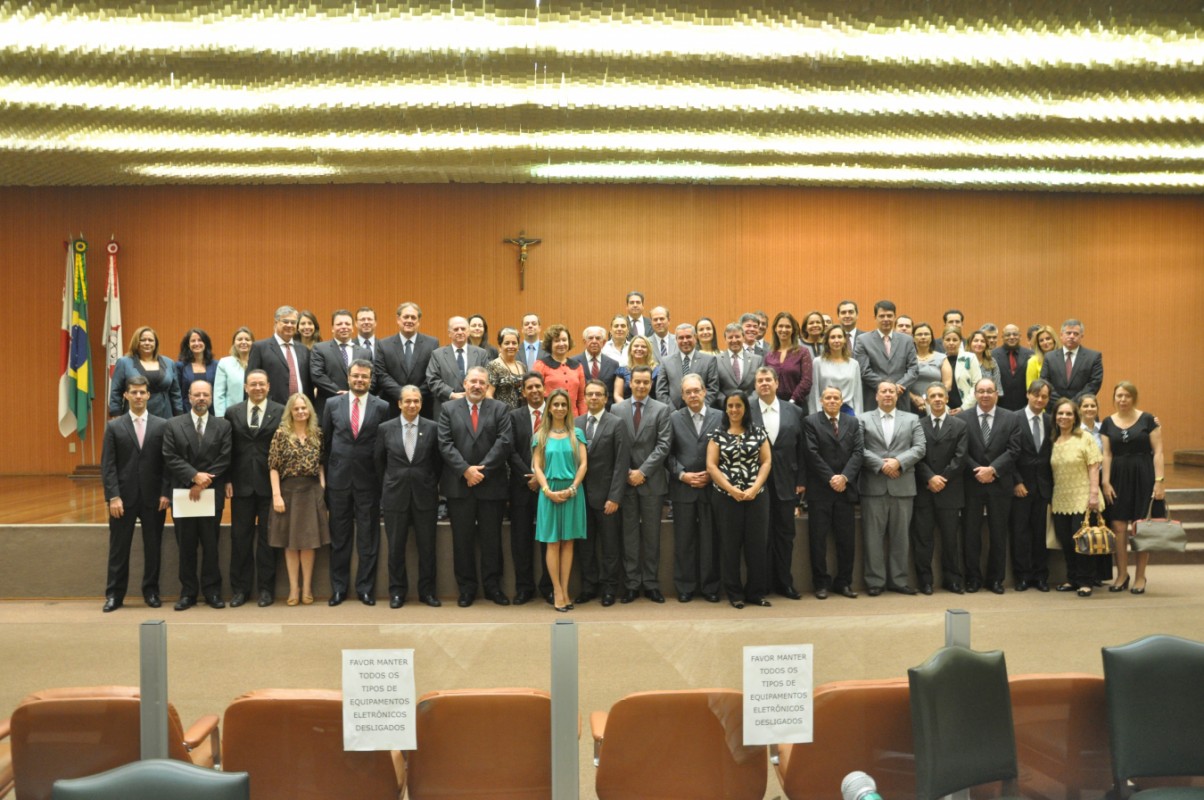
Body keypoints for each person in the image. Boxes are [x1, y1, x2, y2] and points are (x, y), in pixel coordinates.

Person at [438, 365, 515, 607]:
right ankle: (467, 588)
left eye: (482, 382)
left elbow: (504, 442)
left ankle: (493, 587)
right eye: (473, 381)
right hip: (460, 486)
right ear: (464, 383)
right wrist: (466, 470)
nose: (477, 386)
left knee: (492, 540)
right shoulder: (448, 409)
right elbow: (445, 443)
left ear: (488, 386)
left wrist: (480, 471)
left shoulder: (500, 409)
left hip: (491, 484)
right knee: (462, 540)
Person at [100, 375, 170, 612]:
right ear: (126, 395)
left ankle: (151, 591)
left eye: (142, 392)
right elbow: (108, 465)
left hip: (154, 498)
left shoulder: (162, 425)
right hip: (123, 498)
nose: (138, 396)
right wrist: (113, 496)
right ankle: (114, 595)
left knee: (153, 547)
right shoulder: (114, 426)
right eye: (134, 392)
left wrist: (165, 493)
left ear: (149, 395)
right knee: (119, 548)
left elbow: (167, 464)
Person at [321, 359, 388, 606]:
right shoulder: (332, 404)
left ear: (371, 380)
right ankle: (338, 588)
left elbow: (383, 446)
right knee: (339, 537)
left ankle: (365, 588)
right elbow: (326, 442)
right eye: (356, 376)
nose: (360, 380)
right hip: (338, 480)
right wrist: (326, 478)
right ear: (348, 378)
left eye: (365, 377)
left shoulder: (382, 406)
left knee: (368, 538)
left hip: (368, 480)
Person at [162, 380, 231, 610]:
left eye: (205, 394)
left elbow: (224, 458)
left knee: (211, 545)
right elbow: (170, 456)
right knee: (187, 545)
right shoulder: (173, 425)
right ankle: (188, 593)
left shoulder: (223, 426)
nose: (201, 398)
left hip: (211, 493)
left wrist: (202, 482)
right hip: (183, 494)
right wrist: (193, 476)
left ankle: (212, 591)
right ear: (188, 397)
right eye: (197, 394)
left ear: (211, 398)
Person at [375, 385, 443, 608]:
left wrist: (429, 481)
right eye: (408, 401)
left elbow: (438, 462)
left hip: (425, 495)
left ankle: (428, 592)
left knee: (427, 547)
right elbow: (379, 462)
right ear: (399, 404)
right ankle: (397, 592)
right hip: (396, 495)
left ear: (421, 404)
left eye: (416, 401)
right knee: (395, 547)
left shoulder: (433, 427)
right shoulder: (385, 428)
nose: (412, 405)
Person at [857, 382, 926, 596]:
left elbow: (920, 447)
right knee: (872, 537)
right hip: (873, 485)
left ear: (897, 396)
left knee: (901, 536)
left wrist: (898, 462)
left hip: (903, 485)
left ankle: (899, 580)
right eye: (883, 391)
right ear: (876, 395)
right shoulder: (862, 419)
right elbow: (859, 448)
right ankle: (875, 581)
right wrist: (882, 465)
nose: (888, 394)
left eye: (892, 391)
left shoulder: (912, 419)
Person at [706, 391, 772, 609]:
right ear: (726, 409)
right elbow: (711, 466)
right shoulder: (718, 434)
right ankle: (735, 594)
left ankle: (756, 592)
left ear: (746, 409)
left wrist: (754, 488)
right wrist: (731, 489)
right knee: (730, 546)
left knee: (757, 546)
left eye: (738, 406)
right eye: (730, 406)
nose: (734, 410)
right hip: (726, 498)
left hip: (756, 497)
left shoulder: (759, 432)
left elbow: (766, 462)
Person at [224, 369, 284, 607]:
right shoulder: (232, 412)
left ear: (268, 386)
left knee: (268, 540)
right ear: (246, 387)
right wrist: (227, 479)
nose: (257, 388)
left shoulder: (280, 411)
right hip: (240, 486)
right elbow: (227, 449)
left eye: (262, 384)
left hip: (270, 487)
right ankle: (240, 589)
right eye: (253, 384)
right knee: (240, 539)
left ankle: (266, 590)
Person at [614, 365, 672, 603]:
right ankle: (631, 584)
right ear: (630, 383)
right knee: (629, 536)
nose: (641, 386)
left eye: (645, 382)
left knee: (651, 536)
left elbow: (664, 445)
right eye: (637, 381)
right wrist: (628, 472)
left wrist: (643, 472)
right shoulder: (616, 409)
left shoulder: (662, 409)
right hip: (625, 482)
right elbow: (615, 445)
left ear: (651, 384)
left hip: (652, 482)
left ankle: (650, 583)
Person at [749, 367, 808, 600]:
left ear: (776, 383)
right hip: (756, 484)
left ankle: (785, 583)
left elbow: (802, 450)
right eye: (759, 380)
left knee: (785, 536)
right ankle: (761, 584)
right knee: (759, 536)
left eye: (768, 380)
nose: (764, 384)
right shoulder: (746, 409)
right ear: (755, 385)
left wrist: (801, 481)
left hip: (787, 482)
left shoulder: (794, 410)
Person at [1101, 381, 1164, 595]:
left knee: (1140, 527)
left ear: (1134, 397)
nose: (1122, 399)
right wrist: (1105, 481)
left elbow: (1158, 452)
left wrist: (1159, 481)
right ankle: (1121, 574)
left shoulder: (1148, 419)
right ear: (1114, 398)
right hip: (1117, 477)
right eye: (1119, 395)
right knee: (1118, 527)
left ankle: (1140, 576)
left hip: (1143, 476)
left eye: (1127, 395)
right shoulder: (1107, 423)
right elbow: (1107, 454)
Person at [961, 378, 1023, 594]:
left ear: (997, 394)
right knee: (971, 534)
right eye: (981, 391)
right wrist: (978, 470)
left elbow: (1014, 450)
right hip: (972, 483)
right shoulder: (963, 418)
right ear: (975, 394)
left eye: (989, 391)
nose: (985, 395)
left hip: (1000, 484)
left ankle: (996, 579)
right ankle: (973, 579)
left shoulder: (1011, 418)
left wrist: (993, 470)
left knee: (998, 534)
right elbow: (961, 452)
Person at [667, 374, 724, 603]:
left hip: (712, 488)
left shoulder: (720, 417)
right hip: (683, 488)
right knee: (684, 540)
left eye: (696, 390)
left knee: (711, 540)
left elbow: (727, 450)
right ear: (682, 395)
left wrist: (713, 474)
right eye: (688, 392)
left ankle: (710, 587)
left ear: (704, 392)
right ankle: (685, 586)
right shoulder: (672, 418)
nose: (692, 395)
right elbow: (667, 453)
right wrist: (683, 475)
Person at [268, 392, 329, 606]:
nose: (301, 411)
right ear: (290, 412)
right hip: (288, 492)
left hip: (311, 490)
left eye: (304, 408)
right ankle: (294, 587)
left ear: (310, 411)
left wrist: (322, 487)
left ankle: (308, 587)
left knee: (309, 542)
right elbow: (273, 467)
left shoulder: (317, 434)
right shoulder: (281, 434)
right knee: (291, 544)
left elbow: (321, 463)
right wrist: (276, 495)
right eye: (297, 408)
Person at [574, 379, 630, 607]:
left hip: (607, 498)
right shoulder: (575, 423)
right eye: (590, 394)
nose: (594, 398)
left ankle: (609, 589)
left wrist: (615, 497)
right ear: (585, 397)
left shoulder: (617, 423)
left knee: (609, 547)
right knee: (585, 547)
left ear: (606, 398)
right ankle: (588, 587)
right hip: (580, 498)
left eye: (598, 394)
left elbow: (621, 463)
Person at [803, 386, 863, 599]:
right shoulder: (811, 422)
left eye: (835, 397)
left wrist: (844, 477)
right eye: (827, 397)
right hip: (820, 490)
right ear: (821, 401)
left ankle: (844, 583)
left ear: (841, 400)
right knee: (818, 541)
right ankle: (821, 583)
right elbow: (811, 454)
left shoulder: (853, 422)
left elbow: (858, 452)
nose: (831, 401)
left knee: (846, 541)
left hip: (845, 490)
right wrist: (831, 478)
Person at [533, 389, 589, 612]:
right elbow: (536, 466)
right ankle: (556, 590)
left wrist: (573, 488)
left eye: (563, 405)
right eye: (555, 404)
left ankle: (565, 590)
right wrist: (547, 490)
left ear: (568, 408)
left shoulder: (577, 433)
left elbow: (583, 464)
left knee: (568, 543)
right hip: (549, 492)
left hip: (572, 492)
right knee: (553, 543)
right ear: (549, 408)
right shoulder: (541, 435)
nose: (559, 408)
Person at [912, 382, 968, 594]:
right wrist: (929, 478)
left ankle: (952, 579)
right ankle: (925, 581)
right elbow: (916, 455)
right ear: (926, 400)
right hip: (924, 490)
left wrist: (941, 478)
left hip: (950, 490)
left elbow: (961, 457)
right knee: (923, 539)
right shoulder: (917, 424)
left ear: (946, 399)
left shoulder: (960, 425)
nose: (936, 399)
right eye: (932, 396)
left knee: (950, 539)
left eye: (940, 395)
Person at [1049, 397, 1104, 597]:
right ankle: (1072, 579)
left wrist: (1093, 495)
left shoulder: (1085, 438)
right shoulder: (1053, 440)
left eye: (1068, 413)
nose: (1064, 417)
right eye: (1060, 413)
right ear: (1055, 417)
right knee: (1066, 540)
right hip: (1061, 498)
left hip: (1083, 497)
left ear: (1075, 417)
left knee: (1082, 541)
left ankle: (1086, 581)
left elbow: (1094, 467)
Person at [507, 372, 551, 605]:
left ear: (544, 389)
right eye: (529, 388)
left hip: (549, 487)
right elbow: (510, 450)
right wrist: (529, 476)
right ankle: (524, 587)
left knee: (548, 539)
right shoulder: (513, 416)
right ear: (523, 393)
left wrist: (542, 478)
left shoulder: (556, 414)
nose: (534, 391)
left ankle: (548, 586)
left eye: (538, 386)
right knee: (521, 540)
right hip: (522, 486)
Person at [1010, 379, 1053, 592]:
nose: (1039, 399)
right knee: (1020, 533)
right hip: (1020, 486)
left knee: (1040, 534)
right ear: (1028, 394)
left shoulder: (1051, 420)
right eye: (1036, 395)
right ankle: (1022, 576)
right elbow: (1008, 453)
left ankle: (1041, 576)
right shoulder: (1013, 418)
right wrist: (1016, 481)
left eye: (1044, 396)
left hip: (1044, 487)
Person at [374, 301, 439, 419]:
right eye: (406, 317)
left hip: (423, 406)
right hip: (392, 405)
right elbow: (381, 374)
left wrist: (415, 396)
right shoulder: (383, 344)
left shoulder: (432, 343)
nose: (409, 320)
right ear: (398, 319)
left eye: (413, 317)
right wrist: (403, 395)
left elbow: (433, 373)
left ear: (418, 321)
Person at [854, 300, 918, 412]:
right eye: (882, 316)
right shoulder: (863, 340)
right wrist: (887, 388)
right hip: (874, 400)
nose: (886, 319)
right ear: (875, 317)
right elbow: (864, 371)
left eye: (889, 316)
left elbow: (913, 369)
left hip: (901, 398)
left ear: (895, 317)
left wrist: (898, 386)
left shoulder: (907, 340)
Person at [108, 326, 182, 419]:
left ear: (155, 343)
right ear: (136, 342)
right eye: (143, 340)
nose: (147, 343)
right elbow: (116, 391)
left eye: (150, 340)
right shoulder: (124, 362)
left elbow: (175, 393)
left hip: (165, 415)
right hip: (135, 414)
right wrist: (116, 414)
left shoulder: (169, 362)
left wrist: (179, 415)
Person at [426, 315, 490, 422]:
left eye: (463, 329)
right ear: (449, 333)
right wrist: (451, 394)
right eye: (456, 329)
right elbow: (432, 379)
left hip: (475, 408)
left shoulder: (481, 353)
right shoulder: (438, 354)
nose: (460, 332)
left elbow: (487, 378)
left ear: (468, 331)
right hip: (447, 407)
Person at [310, 309, 371, 417]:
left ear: (352, 328)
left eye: (347, 324)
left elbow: (371, 377)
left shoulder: (365, 352)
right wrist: (342, 393)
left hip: (359, 407)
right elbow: (317, 375)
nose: (344, 326)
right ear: (332, 328)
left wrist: (355, 394)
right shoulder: (320, 348)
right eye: (339, 324)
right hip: (329, 406)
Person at [247, 306, 310, 406]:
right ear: (276, 322)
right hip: (271, 408)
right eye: (285, 321)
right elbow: (250, 379)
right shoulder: (260, 348)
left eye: (293, 322)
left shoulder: (304, 350)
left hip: (300, 408)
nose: (289, 325)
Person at [655, 323, 719, 410]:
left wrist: (700, 408)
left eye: (688, 337)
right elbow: (661, 391)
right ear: (676, 340)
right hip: (674, 415)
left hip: (701, 413)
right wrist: (673, 413)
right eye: (681, 338)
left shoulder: (709, 361)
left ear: (695, 338)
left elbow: (713, 390)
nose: (685, 341)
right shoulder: (666, 362)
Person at [1040, 319, 1104, 404]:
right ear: (1061, 335)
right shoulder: (1049, 357)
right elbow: (1045, 381)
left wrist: (1074, 403)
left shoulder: (1093, 357)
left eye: (1076, 334)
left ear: (1081, 336)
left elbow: (1094, 384)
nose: (1072, 336)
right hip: (1054, 408)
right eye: (1068, 333)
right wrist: (1060, 403)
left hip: (1082, 408)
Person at [533, 324, 587, 416]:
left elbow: (582, 399)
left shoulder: (578, 366)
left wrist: (583, 420)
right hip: (549, 417)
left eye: (564, 340)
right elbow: (535, 395)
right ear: (550, 344)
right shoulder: (541, 365)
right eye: (557, 341)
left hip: (574, 419)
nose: (561, 344)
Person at [809, 325, 863, 415]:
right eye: (833, 337)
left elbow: (857, 395)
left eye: (840, 337)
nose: (836, 340)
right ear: (827, 341)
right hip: (824, 410)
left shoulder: (854, 364)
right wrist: (815, 415)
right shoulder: (817, 362)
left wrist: (859, 417)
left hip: (847, 411)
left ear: (845, 340)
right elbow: (814, 392)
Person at [763, 311, 814, 407]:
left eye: (788, 326)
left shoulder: (803, 352)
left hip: (796, 405)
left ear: (793, 330)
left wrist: (792, 401)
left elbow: (807, 381)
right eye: (780, 326)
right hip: (773, 406)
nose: (784, 329)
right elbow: (766, 380)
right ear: (775, 329)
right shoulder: (769, 355)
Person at [909, 322, 951, 414]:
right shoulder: (907, 358)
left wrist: (933, 398)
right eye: (919, 334)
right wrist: (914, 398)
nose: (923, 337)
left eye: (926, 334)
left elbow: (947, 384)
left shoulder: (941, 357)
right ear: (913, 338)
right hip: (910, 404)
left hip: (936, 404)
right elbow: (901, 383)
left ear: (931, 337)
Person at [715, 323, 760, 404]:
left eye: (737, 336)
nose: (734, 340)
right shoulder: (716, 360)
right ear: (725, 339)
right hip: (725, 409)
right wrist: (727, 403)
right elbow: (714, 387)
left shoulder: (757, 360)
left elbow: (758, 385)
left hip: (751, 408)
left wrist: (747, 404)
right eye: (730, 337)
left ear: (743, 338)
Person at [213, 327, 254, 417]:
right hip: (232, 415)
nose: (243, 342)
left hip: (255, 414)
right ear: (234, 343)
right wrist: (220, 417)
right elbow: (219, 393)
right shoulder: (225, 363)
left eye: (247, 339)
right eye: (239, 339)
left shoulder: (258, 362)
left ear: (253, 343)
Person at [578, 325, 622, 407]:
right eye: (590, 338)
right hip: (582, 413)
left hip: (607, 413)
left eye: (598, 338)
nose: (594, 341)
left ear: (604, 343)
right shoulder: (574, 363)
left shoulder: (614, 364)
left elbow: (614, 394)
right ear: (584, 342)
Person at [994, 324, 1033, 411]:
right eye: (1008, 335)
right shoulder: (993, 355)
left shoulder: (1031, 354)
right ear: (1002, 337)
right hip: (1000, 406)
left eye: (1015, 334)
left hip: (1024, 406)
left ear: (1020, 336)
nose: (1011, 337)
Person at [486, 327, 527, 409]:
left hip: (521, 415)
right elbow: (488, 394)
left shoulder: (522, 366)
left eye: (514, 343)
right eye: (507, 343)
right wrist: (498, 412)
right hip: (502, 416)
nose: (511, 346)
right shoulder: (493, 366)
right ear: (500, 346)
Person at [175, 328, 218, 405]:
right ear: (188, 344)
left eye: (200, 340)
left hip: (211, 411)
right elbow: (177, 393)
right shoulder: (180, 366)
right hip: (187, 411)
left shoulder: (216, 365)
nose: (197, 343)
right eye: (193, 341)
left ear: (205, 343)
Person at [943, 327, 981, 413]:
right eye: (948, 340)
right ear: (943, 341)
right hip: (944, 410)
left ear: (960, 341)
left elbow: (977, 385)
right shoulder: (940, 359)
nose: (951, 343)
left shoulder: (970, 358)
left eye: (955, 340)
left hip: (967, 409)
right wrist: (945, 409)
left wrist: (963, 408)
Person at [615, 335, 660, 402]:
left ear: (648, 350)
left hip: (652, 410)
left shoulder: (657, 371)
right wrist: (628, 409)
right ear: (630, 350)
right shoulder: (622, 371)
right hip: (626, 410)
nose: (639, 349)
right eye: (636, 346)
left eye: (643, 346)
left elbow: (660, 394)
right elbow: (617, 395)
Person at [968, 330, 1003, 400]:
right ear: (970, 343)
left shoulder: (991, 362)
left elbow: (998, 388)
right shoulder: (963, 361)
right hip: (966, 405)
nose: (979, 344)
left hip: (988, 402)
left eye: (982, 341)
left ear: (986, 345)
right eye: (976, 341)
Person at [1025, 324, 1058, 389]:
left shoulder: (1065, 356)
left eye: (1048, 339)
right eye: (1041, 340)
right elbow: (1031, 388)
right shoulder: (1033, 361)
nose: (1045, 342)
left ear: (1054, 340)